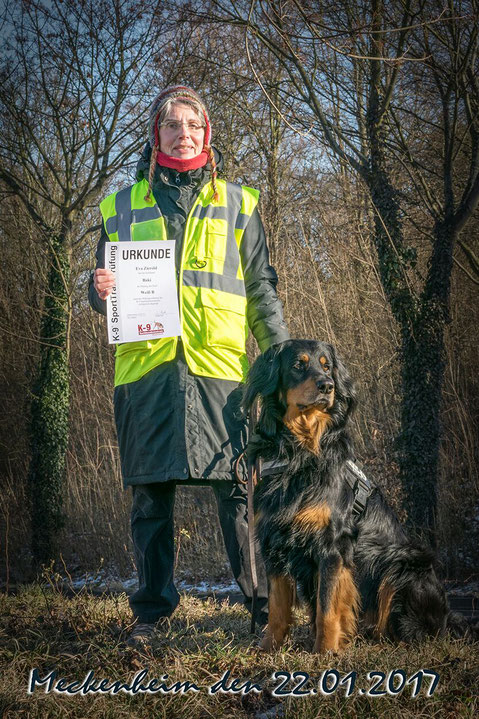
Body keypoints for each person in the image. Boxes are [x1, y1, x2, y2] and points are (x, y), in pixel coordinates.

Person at [89, 86, 289, 647]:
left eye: (193, 124)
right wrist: (98, 288)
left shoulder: (240, 204)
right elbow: (101, 288)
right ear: (157, 136)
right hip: (145, 375)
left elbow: (261, 290)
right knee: (150, 497)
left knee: (237, 493)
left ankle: (261, 611)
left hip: (220, 375)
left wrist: (279, 359)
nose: (184, 133)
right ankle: (150, 614)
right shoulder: (119, 206)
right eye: (172, 124)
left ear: (207, 133)